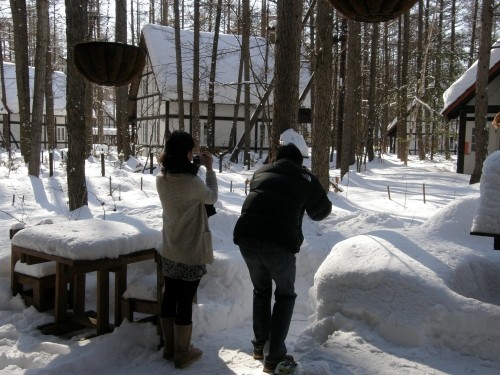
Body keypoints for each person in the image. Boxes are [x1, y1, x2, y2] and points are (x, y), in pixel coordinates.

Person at [233, 143, 332, 373]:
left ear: (276, 158)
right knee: (285, 295)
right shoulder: (304, 177)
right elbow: (322, 211)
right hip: (278, 243)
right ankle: (274, 356)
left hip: (246, 238)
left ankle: (259, 347)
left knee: (261, 291)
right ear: (299, 162)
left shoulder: (261, 171)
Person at [156, 130, 218, 369]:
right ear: (186, 153)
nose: (194, 153)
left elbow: (184, 183)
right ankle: (183, 353)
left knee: (170, 294)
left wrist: (195, 167)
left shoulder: (162, 179)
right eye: (191, 150)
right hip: (191, 250)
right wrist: (210, 170)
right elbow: (211, 197)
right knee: (184, 299)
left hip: (170, 247)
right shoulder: (193, 183)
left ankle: (169, 348)